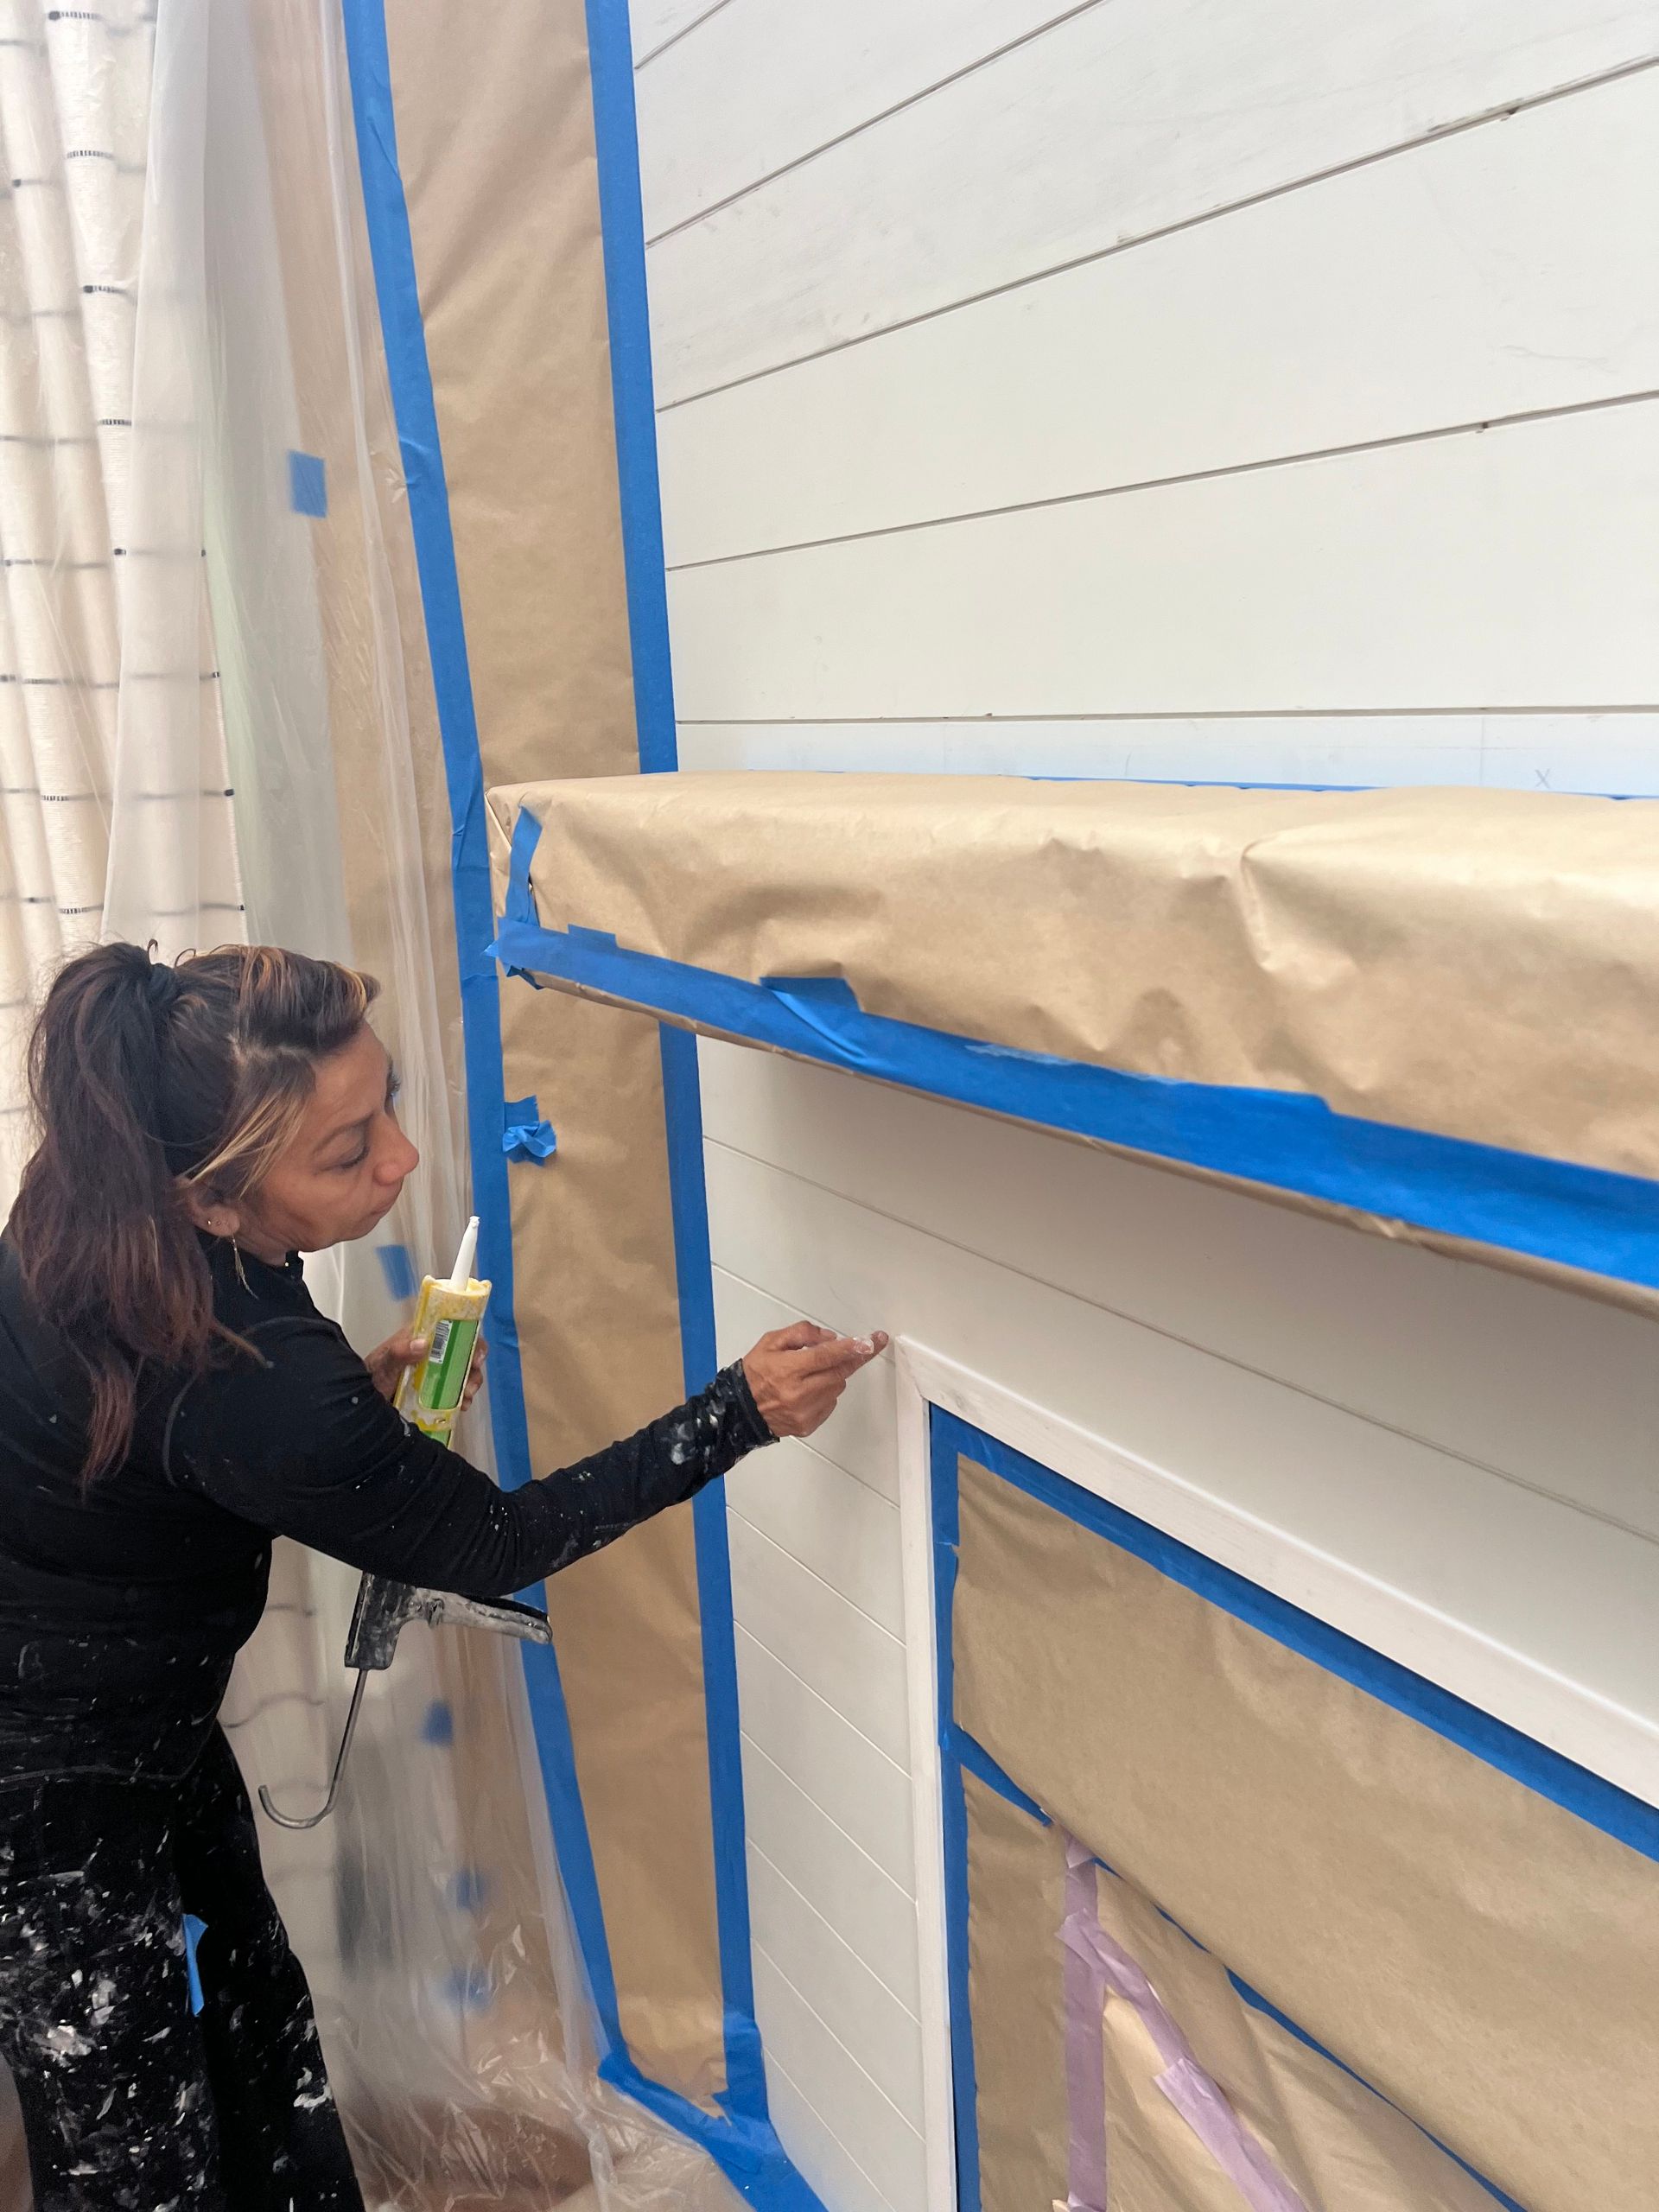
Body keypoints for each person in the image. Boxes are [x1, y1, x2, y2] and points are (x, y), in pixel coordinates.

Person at [0, 941, 886, 2210]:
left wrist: (351, 1410)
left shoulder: (99, 1200)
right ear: (207, 1199)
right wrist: (732, 1413)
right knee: (134, 2167)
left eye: (388, 1104)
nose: (402, 1160)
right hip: (41, 1794)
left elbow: (172, 1437)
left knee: (252, 2018)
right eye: (348, 1151)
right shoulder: (254, 1382)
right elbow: (499, 1543)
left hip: (122, 1705)